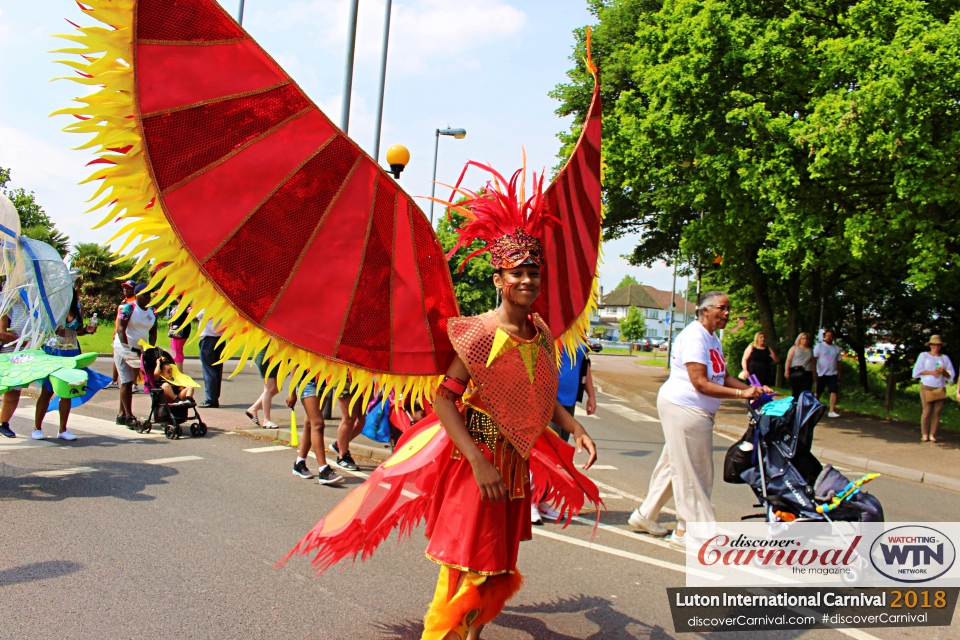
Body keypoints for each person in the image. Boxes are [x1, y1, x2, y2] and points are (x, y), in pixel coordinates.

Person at [628, 290, 773, 549]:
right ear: (705, 310)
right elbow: (701, 383)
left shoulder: (712, 339)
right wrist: (742, 393)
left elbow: (722, 377)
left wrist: (755, 390)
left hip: (693, 410)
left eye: (729, 308)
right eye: (722, 307)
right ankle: (692, 532)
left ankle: (645, 515)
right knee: (696, 471)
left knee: (676, 464)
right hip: (685, 408)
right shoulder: (695, 337)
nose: (727, 313)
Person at [533, 344, 597, 524]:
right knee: (544, 454)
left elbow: (585, 366)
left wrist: (591, 395)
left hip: (568, 400)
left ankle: (542, 500)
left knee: (557, 456)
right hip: (549, 399)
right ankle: (532, 500)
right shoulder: (551, 331)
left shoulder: (579, 335)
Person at [31, 284, 98, 440]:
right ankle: (37, 428)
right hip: (54, 351)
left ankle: (63, 429)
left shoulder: (77, 306)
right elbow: (55, 328)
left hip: (72, 351)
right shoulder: (53, 306)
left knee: (67, 390)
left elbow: (78, 330)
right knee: (47, 390)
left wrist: (88, 330)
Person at [113, 283, 157, 427]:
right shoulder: (128, 308)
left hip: (139, 350)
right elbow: (121, 330)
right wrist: (127, 349)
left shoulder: (152, 312)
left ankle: (121, 414)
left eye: (149, 294)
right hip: (123, 348)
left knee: (130, 381)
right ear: (137, 295)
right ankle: (129, 415)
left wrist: (150, 348)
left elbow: (153, 332)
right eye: (144, 294)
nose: (148, 298)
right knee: (126, 381)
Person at [288, 376, 344, 485]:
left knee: (310, 422)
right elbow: (295, 363)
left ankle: (300, 463)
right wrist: (292, 392)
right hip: (308, 382)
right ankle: (323, 469)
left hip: (326, 383)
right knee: (318, 424)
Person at [912, 335, 955, 443]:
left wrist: (943, 371)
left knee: (937, 412)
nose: (936, 347)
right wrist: (931, 372)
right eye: (934, 345)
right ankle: (924, 433)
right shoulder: (924, 356)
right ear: (930, 345)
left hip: (940, 387)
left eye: (938, 345)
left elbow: (951, 376)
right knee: (927, 410)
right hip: (927, 385)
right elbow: (916, 372)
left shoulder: (944, 358)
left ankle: (933, 434)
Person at [105, 279, 137, 390]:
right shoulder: (124, 301)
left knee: (131, 359)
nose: (125, 289)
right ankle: (114, 381)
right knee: (117, 358)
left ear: (133, 289)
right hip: (118, 334)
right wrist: (115, 332)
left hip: (128, 335)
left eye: (128, 288)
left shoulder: (134, 302)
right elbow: (118, 320)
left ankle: (134, 384)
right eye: (124, 287)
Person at [328, 378, 364, 472]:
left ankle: (339, 445)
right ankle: (342, 457)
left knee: (365, 419)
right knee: (349, 418)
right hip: (345, 377)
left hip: (365, 375)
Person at [246, 344, 280, 428]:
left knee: (277, 388)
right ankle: (266, 420)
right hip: (266, 354)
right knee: (270, 388)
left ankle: (253, 409)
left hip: (275, 354)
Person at [197, 311, 225, 408]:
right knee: (217, 369)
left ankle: (211, 398)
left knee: (208, 369)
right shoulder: (224, 304)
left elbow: (197, 315)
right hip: (220, 338)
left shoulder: (208, 304)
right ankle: (215, 396)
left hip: (209, 338)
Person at [814, 330, 842, 418]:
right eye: (827, 336)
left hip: (833, 373)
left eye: (831, 336)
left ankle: (831, 410)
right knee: (818, 392)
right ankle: (814, 409)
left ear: (833, 337)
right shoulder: (819, 346)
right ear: (824, 337)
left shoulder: (836, 348)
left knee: (834, 391)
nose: (829, 337)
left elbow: (839, 362)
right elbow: (814, 359)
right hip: (821, 373)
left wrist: (840, 373)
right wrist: (814, 371)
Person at [785, 332, 815, 399]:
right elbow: (788, 360)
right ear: (799, 339)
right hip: (796, 371)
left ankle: (804, 406)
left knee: (806, 391)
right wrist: (786, 370)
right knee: (796, 390)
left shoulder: (810, 350)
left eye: (806, 339)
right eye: (803, 338)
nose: (805, 340)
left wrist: (814, 373)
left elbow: (813, 363)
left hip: (808, 372)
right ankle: (795, 405)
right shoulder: (794, 348)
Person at [167, 299, 191, 374]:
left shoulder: (185, 306)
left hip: (180, 331)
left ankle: (179, 371)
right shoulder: (178, 306)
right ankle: (177, 369)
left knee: (177, 350)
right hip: (175, 330)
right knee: (175, 350)